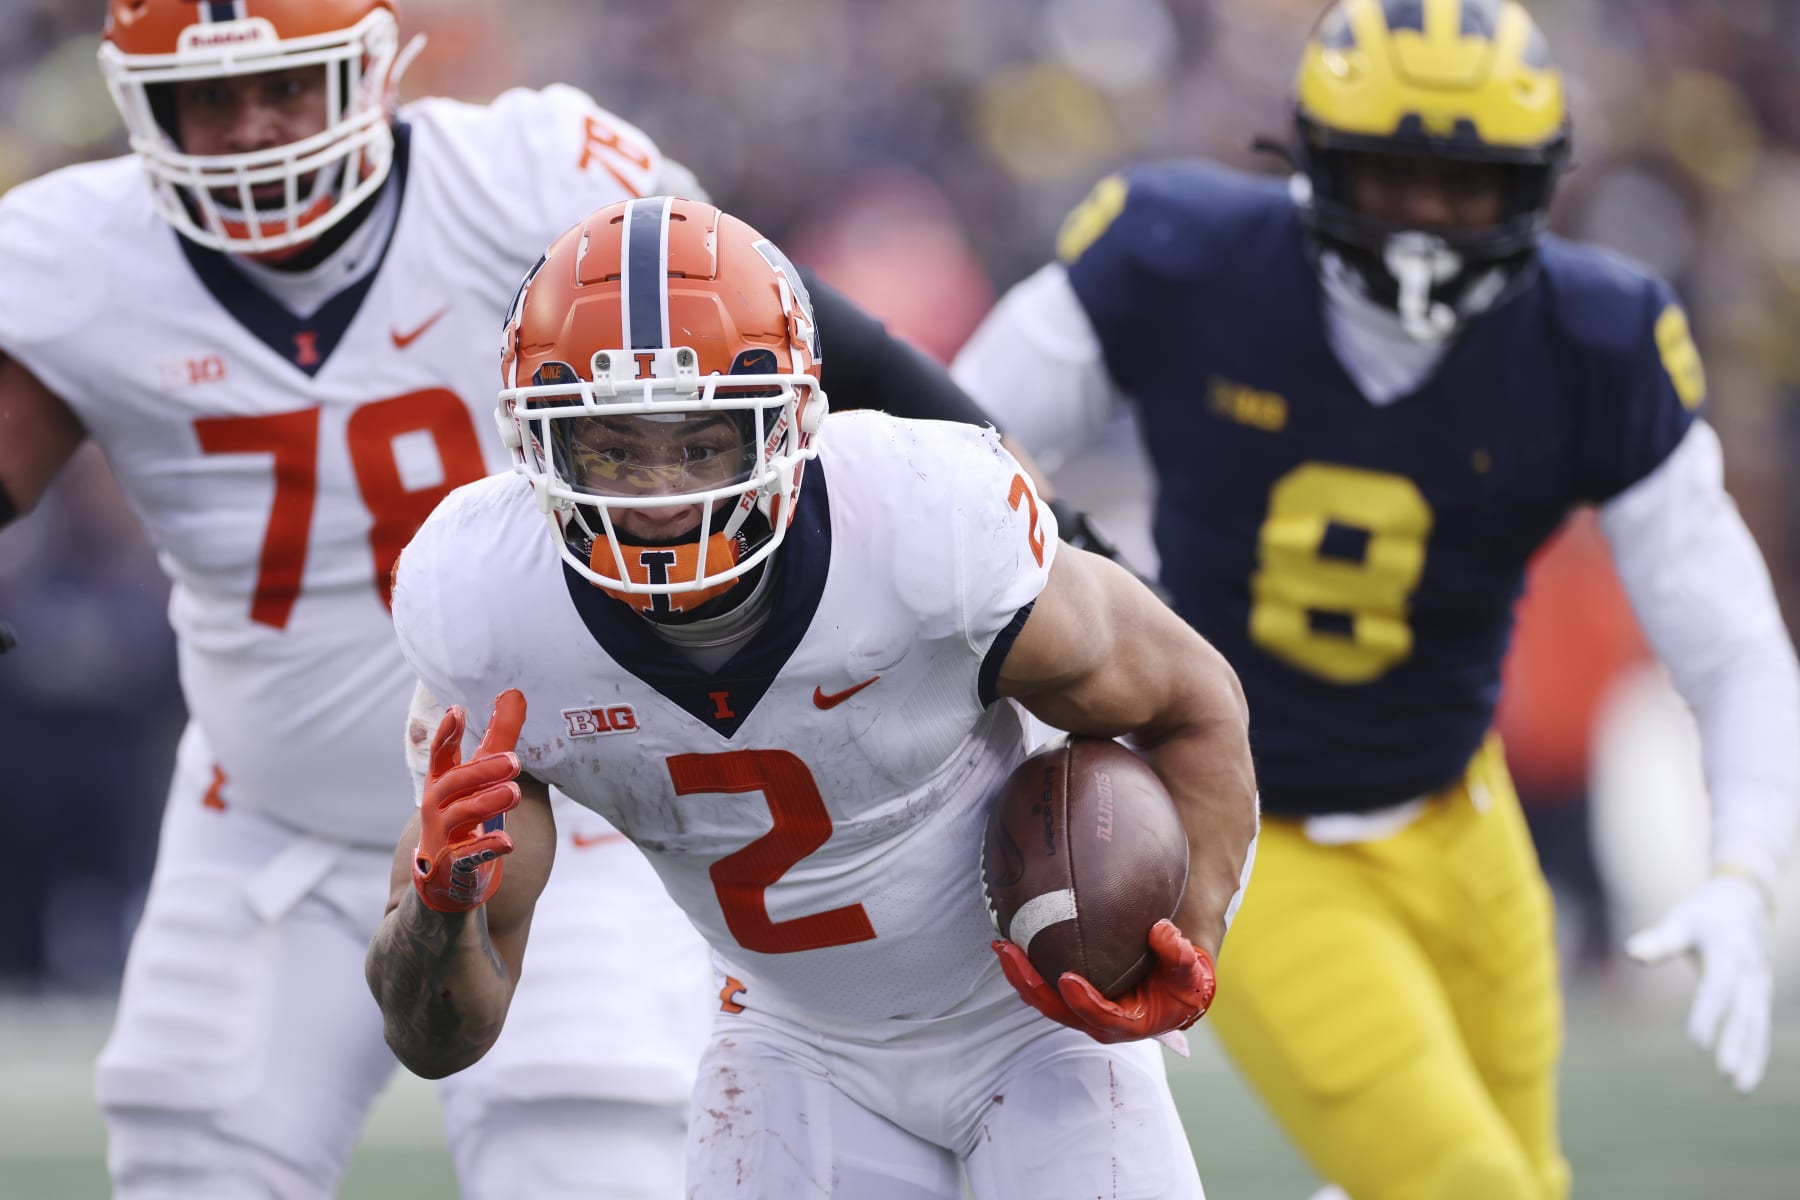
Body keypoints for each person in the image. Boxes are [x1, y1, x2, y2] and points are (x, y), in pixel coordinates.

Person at [0, 2, 1016, 1196]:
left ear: (372, 70)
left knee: (580, 1142)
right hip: (263, 810)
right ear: (142, 104)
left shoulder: (523, 174)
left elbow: (803, 343)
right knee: (191, 1153)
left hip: (564, 785)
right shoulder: (68, 255)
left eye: (288, 86)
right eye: (207, 98)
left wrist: (1017, 497)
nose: (250, 131)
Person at [950, 2, 1800, 1198]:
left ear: (1538, 185)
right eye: (1392, 175)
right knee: (1467, 1187)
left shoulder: (1597, 336)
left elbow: (1731, 641)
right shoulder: (1180, 255)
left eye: (1468, 185)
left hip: (1465, 815)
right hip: (1254, 832)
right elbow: (955, 460)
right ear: (1314, 159)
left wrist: (1747, 865)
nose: (1428, 222)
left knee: (1526, 1180)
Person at [364, 195, 1260, 1200]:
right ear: (538, 446)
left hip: (1027, 1023)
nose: (661, 499)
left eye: (703, 445)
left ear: (792, 424)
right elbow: (441, 1039)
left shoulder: (928, 525)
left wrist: (1194, 930)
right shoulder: (486, 607)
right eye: (612, 448)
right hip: (791, 1045)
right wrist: (439, 911)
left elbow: (1191, 698)